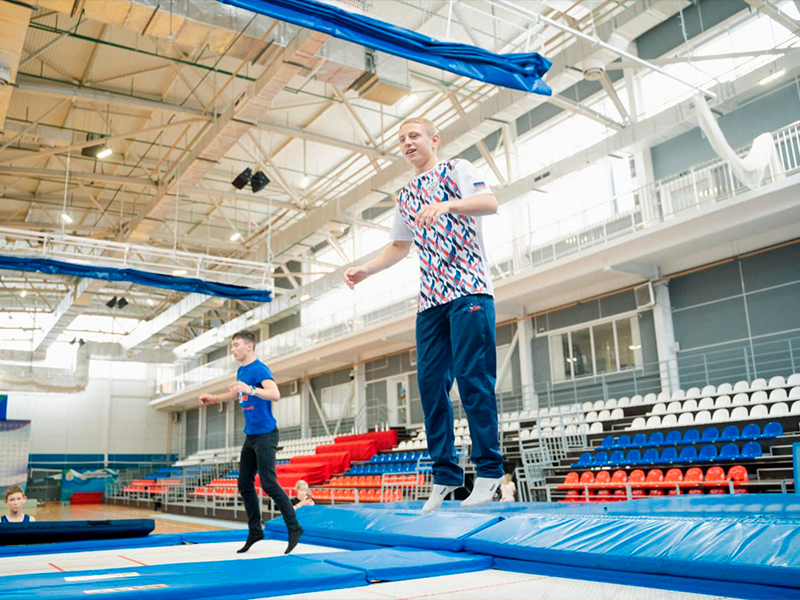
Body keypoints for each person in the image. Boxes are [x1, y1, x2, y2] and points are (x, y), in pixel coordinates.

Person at [344, 117, 504, 513]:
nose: (407, 143)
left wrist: (448, 203)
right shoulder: (405, 194)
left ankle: (489, 471)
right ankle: (446, 475)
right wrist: (366, 269)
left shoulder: (457, 169)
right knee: (431, 385)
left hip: (469, 289)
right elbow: (400, 245)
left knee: (472, 379)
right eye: (401, 139)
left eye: (413, 136)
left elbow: (490, 204)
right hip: (430, 300)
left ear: (434, 139)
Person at [200, 330, 302, 554]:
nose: (233, 349)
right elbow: (238, 393)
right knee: (244, 484)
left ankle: (294, 528)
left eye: (236, 345)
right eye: (232, 345)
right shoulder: (241, 370)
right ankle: (255, 530)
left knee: (268, 483)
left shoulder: (259, 369)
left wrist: (252, 389)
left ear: (249, 346)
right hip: (251, 436)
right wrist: (216, 398)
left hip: (266, 434)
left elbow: (275, 394)